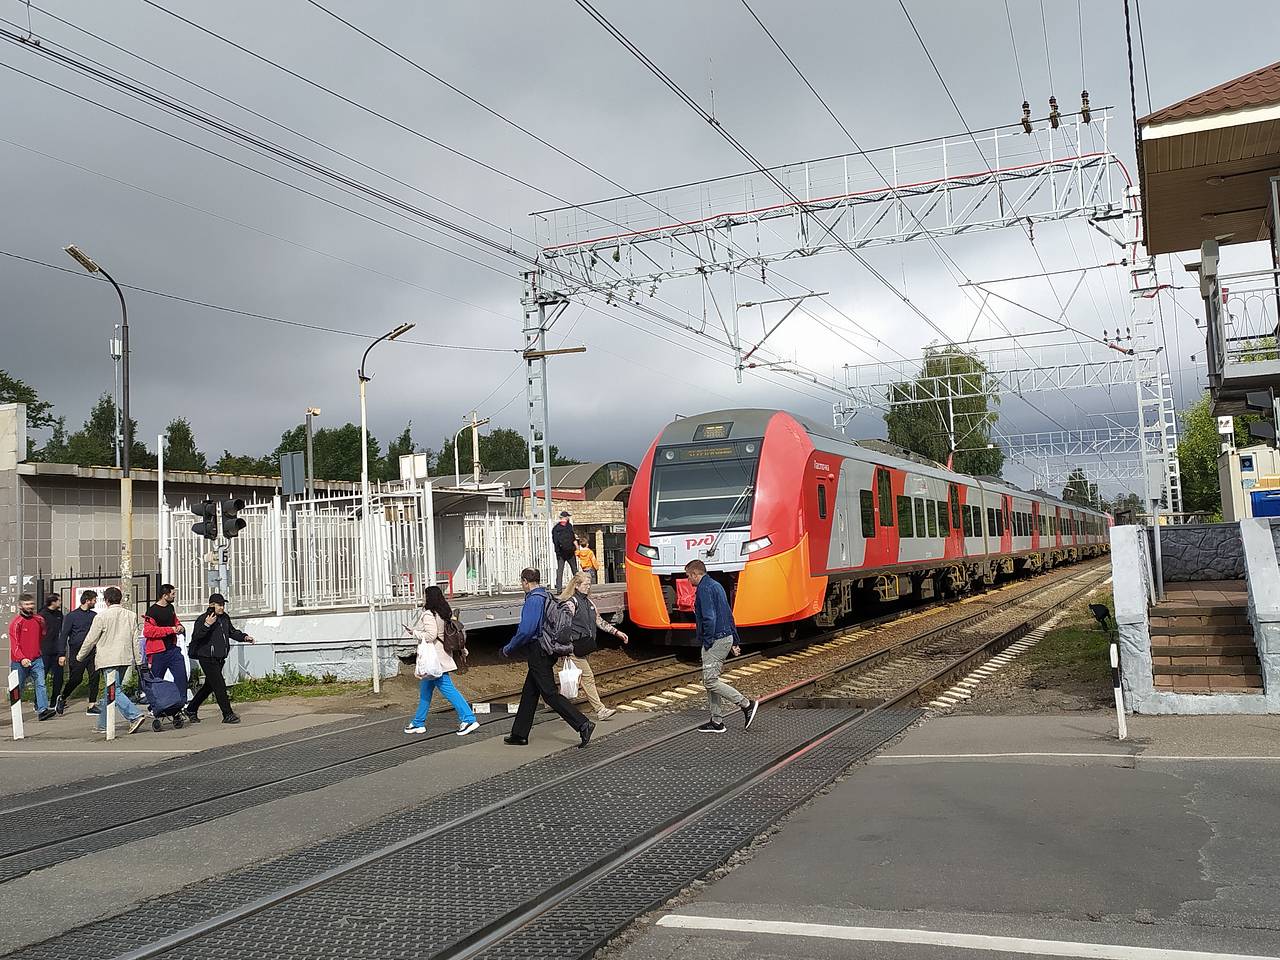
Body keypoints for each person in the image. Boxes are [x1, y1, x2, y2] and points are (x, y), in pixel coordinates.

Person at [501, 567, 594, 748]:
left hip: (539, 651)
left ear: (525, 582)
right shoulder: (546, 595)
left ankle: (582, 724)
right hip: (549, 649)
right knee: (530, 693)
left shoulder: (534, 600)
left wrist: (508, 648)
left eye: (522, 582)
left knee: (550, 694)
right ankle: (519, 734)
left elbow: (527, 630)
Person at [685, 560, 759, 734]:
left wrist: (708, 641)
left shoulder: (704, 589)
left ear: (696, 574)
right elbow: (728, 614)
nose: (688, 580)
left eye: (688, 576)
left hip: (715, 639)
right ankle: (717, 721)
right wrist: (734, 640)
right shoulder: (717, 586)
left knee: (710, 681)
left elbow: (709, 618)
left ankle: (746, 704)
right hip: (724, 637)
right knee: (711, 681)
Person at [403, 586, 479, 736]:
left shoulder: (428, 614)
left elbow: (431, 635)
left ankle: (469, 718)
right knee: (425, 690)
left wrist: (415, 633)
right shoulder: (443, 613)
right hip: (441, 656)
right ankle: (418, 722)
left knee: (448, 689)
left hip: (434, 660)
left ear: (428, 597)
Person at [76, 586, 147, 735]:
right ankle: (103, 724)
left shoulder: (101, 617)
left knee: (114, 690)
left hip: (108, 658)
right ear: (120, 599)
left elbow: (91, 639)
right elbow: (135, 640)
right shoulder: (130, 615)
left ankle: (135, 715)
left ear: (106, 600)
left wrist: (80, 656)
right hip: (125, 657)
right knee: (110, 692)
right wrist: (139, 660)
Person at [557, 572, 628, 721]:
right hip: (574, 648)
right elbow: (563, 625)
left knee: (574, 679)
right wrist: (564, 645)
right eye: (585, 585)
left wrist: (617, 632)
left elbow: (599, 621)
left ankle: (556, 703)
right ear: (576, 586)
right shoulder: (572, 603)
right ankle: (600, 709)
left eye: (589, 585)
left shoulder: (589, 603)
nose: (588, 587)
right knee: (587, 677)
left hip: (584, 646)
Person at [186, 593, 254, 724]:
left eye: (223, 605)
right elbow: (196, 636)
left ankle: (191, 709)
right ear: (212, 605)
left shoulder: (224, 618)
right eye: (219, 605)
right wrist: (207, 625)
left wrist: (244, 637)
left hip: (219, 657)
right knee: (219, 685)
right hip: (206, 657)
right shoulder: (203, 619)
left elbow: (232, 632)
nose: (222, 608)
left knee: (209, 686)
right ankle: (227, 714)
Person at [8, 594, 55, 721]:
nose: (30, 607)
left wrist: (36, 652)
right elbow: (14, 644)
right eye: (27, 604)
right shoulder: (16, 623)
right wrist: (22, 658)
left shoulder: (39, 619)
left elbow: (42, 634)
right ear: (20, 606)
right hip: (19, 661)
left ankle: (43, 710)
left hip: (36, 659)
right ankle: (14, 713)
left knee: (41, 684)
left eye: (31, 604)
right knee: (18, 687)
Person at [143, 583, 187, 706]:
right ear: (164, 595)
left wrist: (179, 627)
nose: (174, 596)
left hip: (173, 649)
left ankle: (181, 704)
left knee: (181, 676)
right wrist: (171, 630)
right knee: (157, 680)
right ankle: (155, 706)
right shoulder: (152, 611)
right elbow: (149, 631)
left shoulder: (170, 608)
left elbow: (175, 621)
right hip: (158, 652)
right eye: (172, 594)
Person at [56, 591, 100, 715]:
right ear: (87, 600)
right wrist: (62, 654)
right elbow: (64, 635)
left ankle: (92, 704)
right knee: (76, 678)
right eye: (94, 600)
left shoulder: (94, 616)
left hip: (92, 650)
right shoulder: (71, 616)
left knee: (94, 676)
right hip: (77, 651)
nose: (95, 602)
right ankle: (63, 697)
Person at [39, 594, 66, 712]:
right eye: (59, 600)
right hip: (44, 650)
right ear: (52, 602)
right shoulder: (42, 614)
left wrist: (62, 651)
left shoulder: (59, 615)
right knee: (41, 677)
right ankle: (38, 702)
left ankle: (54, 700)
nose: (60, 603)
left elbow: (62, 632)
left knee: (59, 677)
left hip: (57, 650)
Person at [552, 511, 578, 592]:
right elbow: (573, 538)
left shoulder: (555, 528)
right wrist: (576, 547)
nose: (568, 518)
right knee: (574, 570)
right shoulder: (569, 526)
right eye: (568, 517)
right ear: (566, 517)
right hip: (570, 552)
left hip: (560, 554)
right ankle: (578, 586)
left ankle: (559, 589)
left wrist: (557, 552)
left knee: (560, 571)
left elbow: (555, 541)